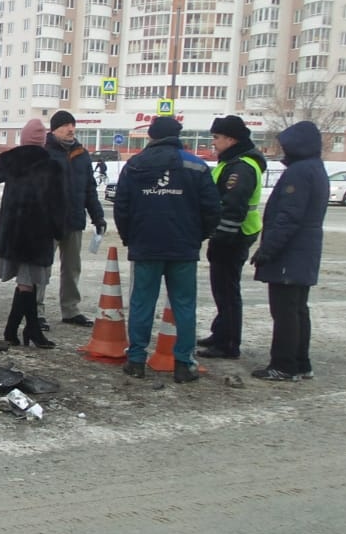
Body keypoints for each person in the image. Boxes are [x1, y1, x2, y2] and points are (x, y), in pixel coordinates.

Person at [113, 116, 220, 383]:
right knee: (184, 305)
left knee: (142, 303)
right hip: (183, 247)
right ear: (178, 135)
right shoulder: (196, 166)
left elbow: (121, 207)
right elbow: (212, 208)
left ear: (151, 136)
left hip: (146, 245)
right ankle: (183, 364)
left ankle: (136, 360)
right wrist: (199, 236)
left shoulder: (134, 165)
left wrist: (130, 238)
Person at [0, 118, 65, 349]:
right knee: (28, 284)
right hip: (38, 234)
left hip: (14, 232)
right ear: (42, 141)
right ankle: (28, 331)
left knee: (26, 284)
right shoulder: (52, 165)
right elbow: (58, 204)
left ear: (24, 138)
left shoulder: (11, 161)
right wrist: (59, 232)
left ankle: (17, 330)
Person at [250, 120, 328, 382]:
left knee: (284, 312)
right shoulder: (315, 168)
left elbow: (288, 217)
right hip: (304, 252)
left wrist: (267, 250)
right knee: (297, 309)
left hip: (290, 254)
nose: (282, 150)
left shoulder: (299, 172)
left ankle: (283, 365)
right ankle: (300, 363)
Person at [197, 115, 266, 366]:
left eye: (216, 138)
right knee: (222, 288)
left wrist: (220, 238)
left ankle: (228, 344)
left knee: (227, 289)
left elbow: (232, 207)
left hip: (234, 236)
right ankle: (220, 333)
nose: (213, 142)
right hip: (232, 234)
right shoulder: (233, 162)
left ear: (230, 139)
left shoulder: (241, 167)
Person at [38, 109, 107, 330]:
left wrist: (98, 216)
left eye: (72, 125)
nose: (70, 129)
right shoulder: (44, 153)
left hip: (75, 220)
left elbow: (89, 189)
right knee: (42, 267)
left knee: (72, 267)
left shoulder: (81, 154)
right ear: (54, 129)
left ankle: (70, 309)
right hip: (48, 223)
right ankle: (36, 310)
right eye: (65, 125)